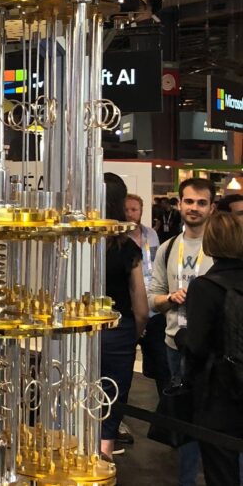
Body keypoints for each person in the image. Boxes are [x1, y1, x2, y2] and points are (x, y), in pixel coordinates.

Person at [148, 177, 217, 486]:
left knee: (220, 421)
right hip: (176, 344)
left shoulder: (222, 247)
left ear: (212, 207)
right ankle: (187, 480)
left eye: (202, 202)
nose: (194, 208)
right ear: (178, 204)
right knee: (184, 419)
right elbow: (153, 297)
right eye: (189, 201)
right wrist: (170, 298)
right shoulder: (167, 248)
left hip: (214, 348)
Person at [178, 211, 243, 486]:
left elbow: (197, 346)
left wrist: (181, 336)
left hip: (219, 393)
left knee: (221, 473)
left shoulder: (204, 287)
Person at [100, 174, 148, 460]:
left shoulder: (72, 243)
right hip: (118, 330)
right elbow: (140, 304)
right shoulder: (128, 248)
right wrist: (134, 333)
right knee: (112, 398)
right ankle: (104, 458)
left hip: (76, 329)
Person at [129, 193, 171, 395]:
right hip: (130, 307)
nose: (130, 213)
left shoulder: (151, 234)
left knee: (161, 365)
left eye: (134, 209)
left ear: (141, 211)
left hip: (154, 307)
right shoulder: (118, 239)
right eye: (126, 209)